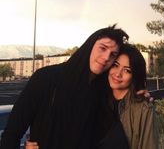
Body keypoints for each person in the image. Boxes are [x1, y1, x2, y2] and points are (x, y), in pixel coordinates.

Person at [0, 25, 129, 149]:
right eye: (102, 48)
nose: (106, 57)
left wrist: (139, 93)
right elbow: (12, 133)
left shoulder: (105, 92)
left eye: (113, 55)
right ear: (89, 46)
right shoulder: (46, 78)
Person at [96, 43, 158, 149]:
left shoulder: (142, 108)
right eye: (115, 65)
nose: (118, 74)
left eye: (127, 70)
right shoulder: (96, 99)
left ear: (134, 76)